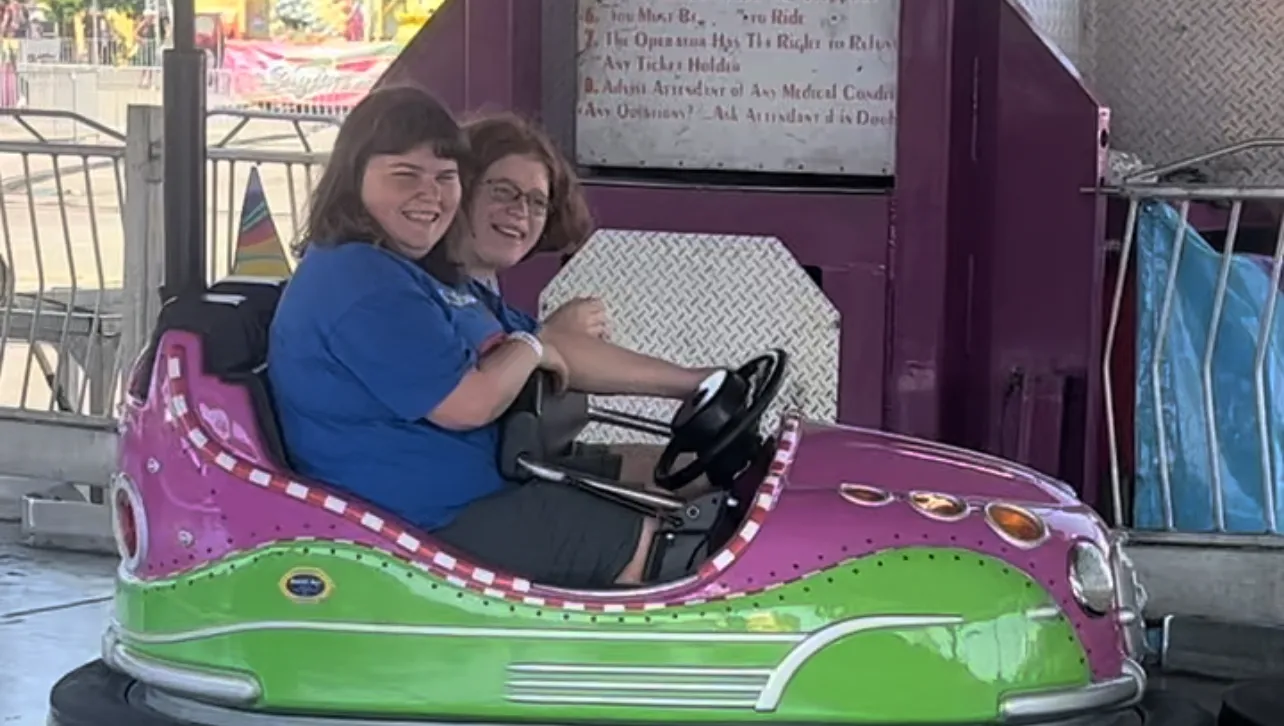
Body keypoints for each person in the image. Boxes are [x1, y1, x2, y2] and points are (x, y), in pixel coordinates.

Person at [268, 87, 688, 589]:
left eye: (446, 178)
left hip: (487, 489)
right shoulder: (361, 279)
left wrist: (694, 383)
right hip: (424, 530)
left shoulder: (418, 278)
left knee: (667, 482)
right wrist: (533, 348)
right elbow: (469, 401)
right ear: (353, 176)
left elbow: (554, 347)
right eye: (405, 175)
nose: (431, 195)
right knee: (672, 550)